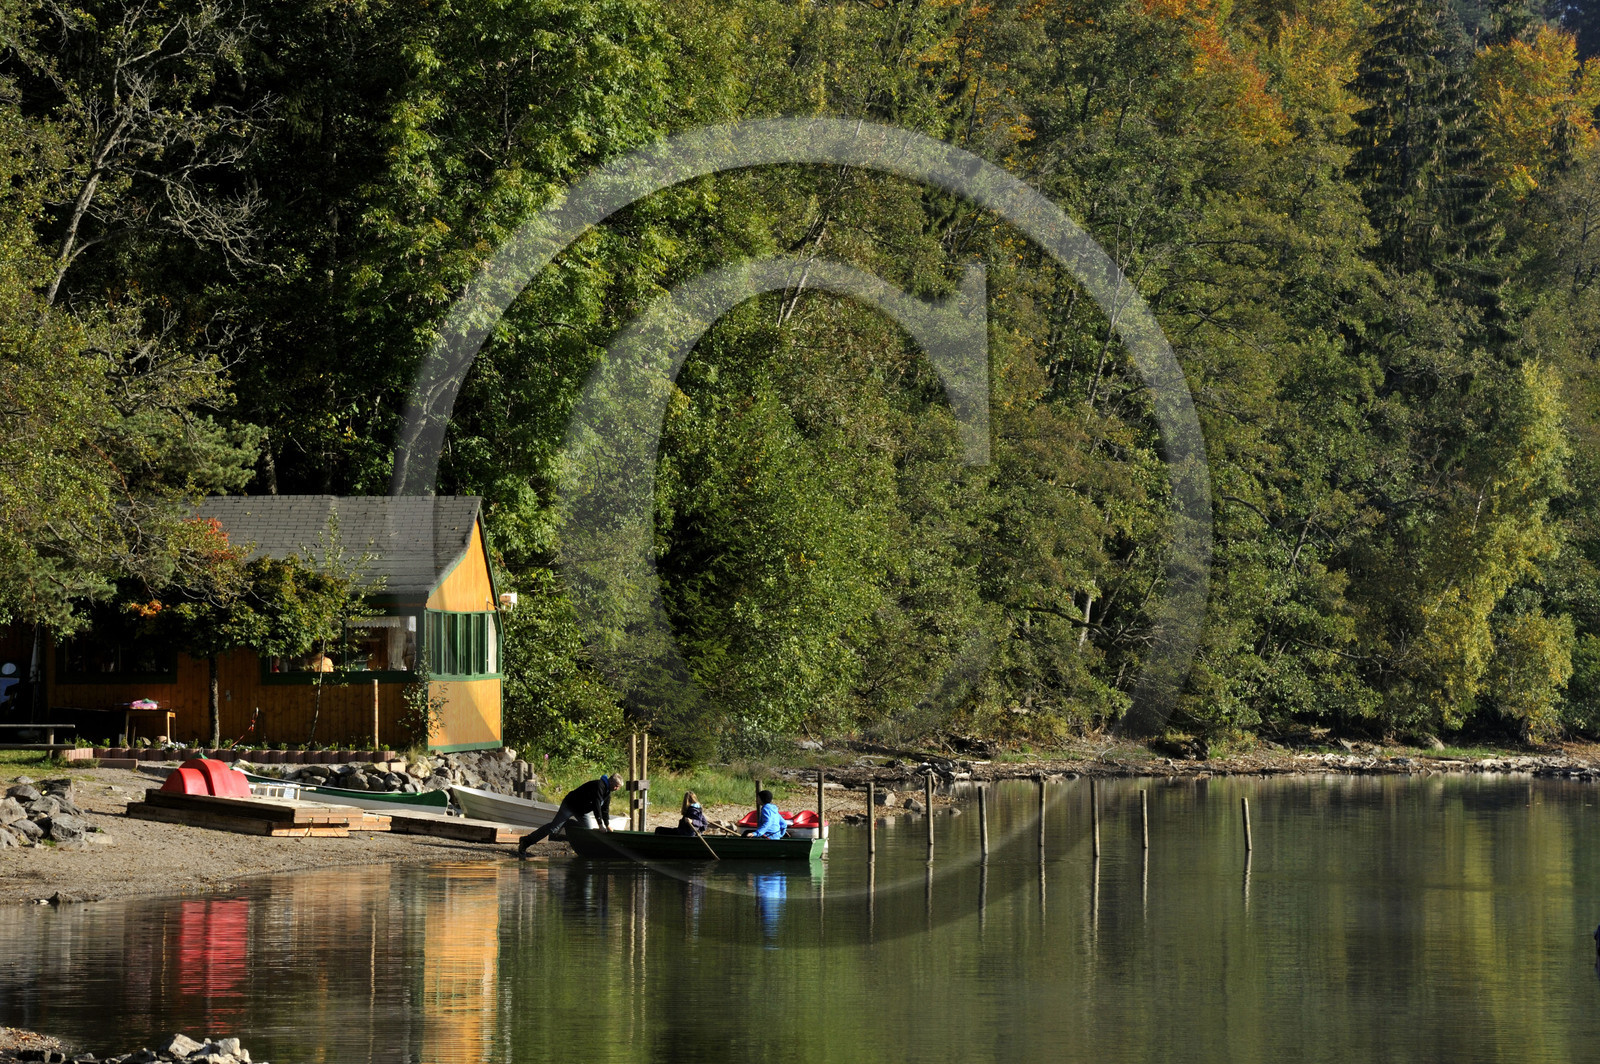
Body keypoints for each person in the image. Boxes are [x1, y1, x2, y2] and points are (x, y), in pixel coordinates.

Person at [517, 773, 623, 854]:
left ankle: (568, 824)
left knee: (588, 831)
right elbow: (596, 806)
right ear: (611, 782)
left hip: (581, 811)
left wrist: (607, 824)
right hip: (570, 805)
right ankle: (526, 841)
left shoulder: (608, 793)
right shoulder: (599, 785)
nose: (617, 789)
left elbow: (605, 810)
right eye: (617, 786)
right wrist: (600, 824)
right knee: (553, 828)